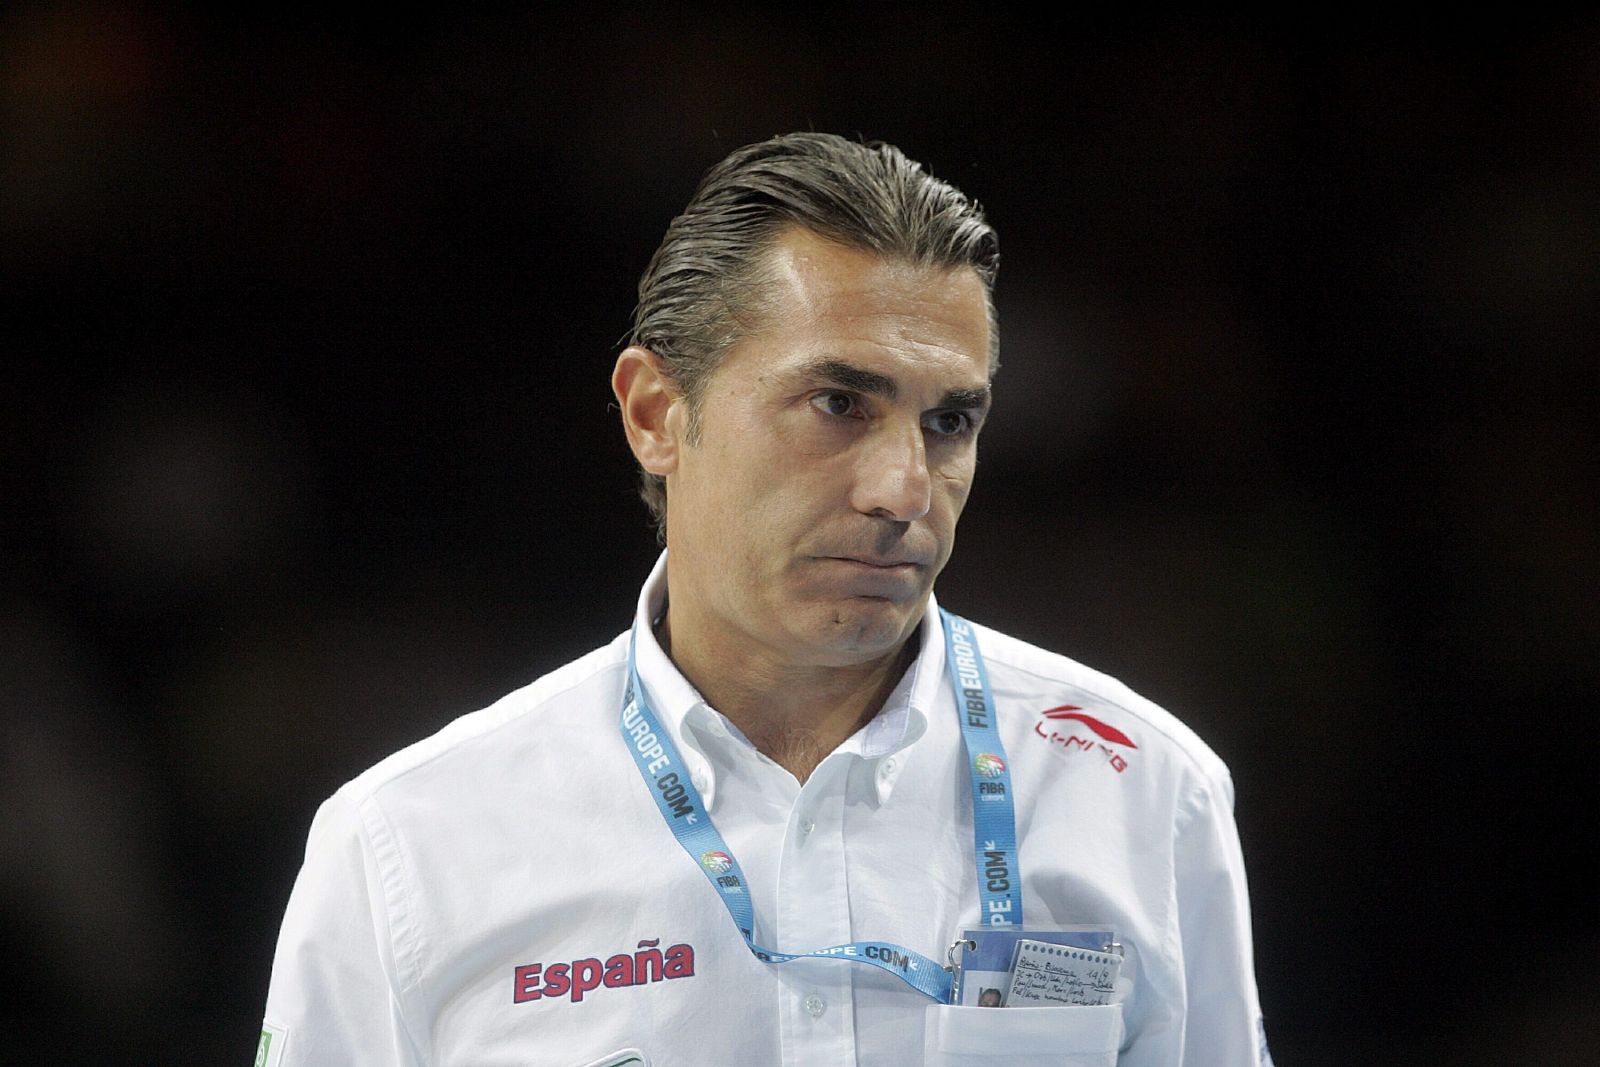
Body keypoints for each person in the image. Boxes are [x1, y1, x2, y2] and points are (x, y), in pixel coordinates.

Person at [259, 132, 1273, 1067]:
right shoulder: (408, 844)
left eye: (950, 419)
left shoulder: (1141, 790)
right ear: (656, 413)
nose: (904, 488)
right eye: (838, 404)